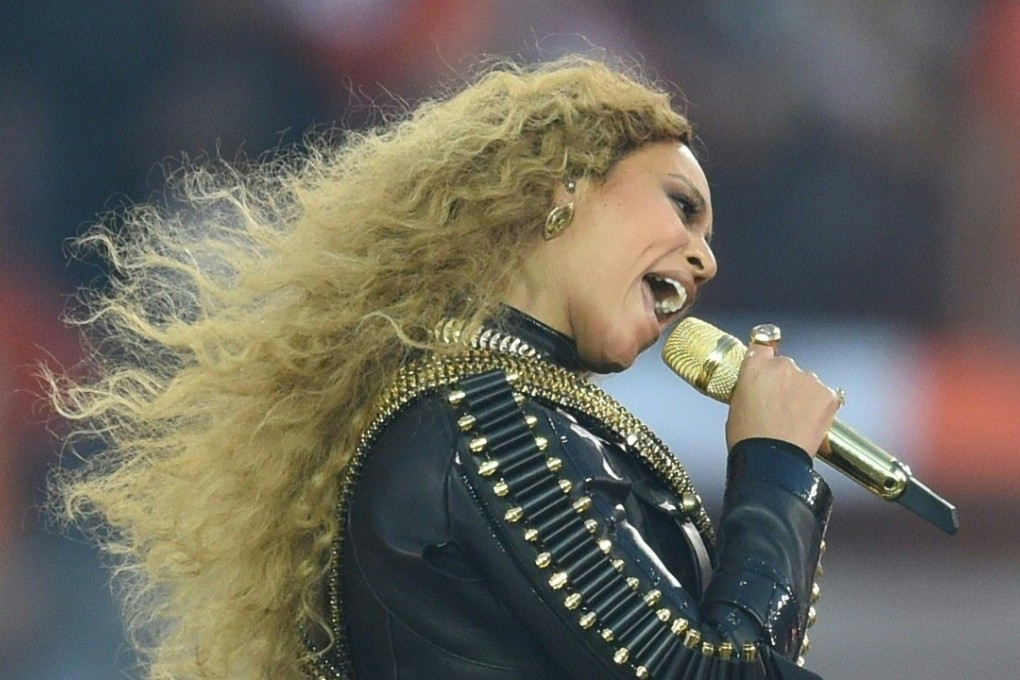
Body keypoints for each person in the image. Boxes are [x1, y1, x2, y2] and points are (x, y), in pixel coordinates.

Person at [49, 56, 841, 680]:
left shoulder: (497, 413)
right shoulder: (490, 426)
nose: (705, 258)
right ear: (564, 186)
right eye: (681, 205)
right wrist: (774, 469)